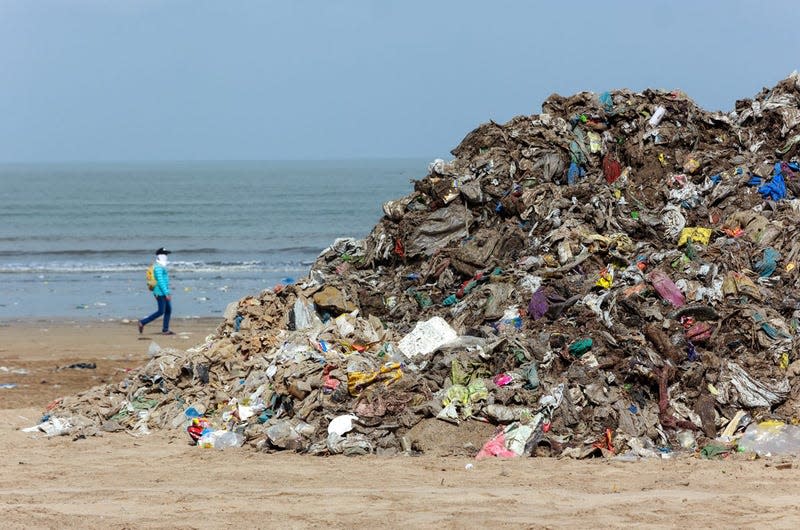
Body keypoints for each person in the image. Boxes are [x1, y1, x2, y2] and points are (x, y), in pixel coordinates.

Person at [138, 247, 174, 335]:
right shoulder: (158, 267)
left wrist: (167, 292)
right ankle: (142, 322)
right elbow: (161, 281)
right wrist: (166, 293)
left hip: (163, 291)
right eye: (165, 254)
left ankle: (165, 330)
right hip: (160, 292)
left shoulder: (160, 266)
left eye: (166, 254)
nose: (166, 256)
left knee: (168, 310)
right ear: (160, 256)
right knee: (161, 311)